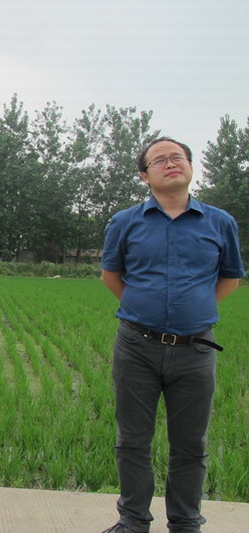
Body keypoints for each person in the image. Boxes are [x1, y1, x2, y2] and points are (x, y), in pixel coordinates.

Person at [100, 137, 245, 533]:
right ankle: (133, 520)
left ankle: (185, 522)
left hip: (195, 349)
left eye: (177, 157)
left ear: (190, 166)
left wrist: (193, 311)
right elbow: (111, 275)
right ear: (145, 176)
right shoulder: (125, 222)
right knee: (132, 439)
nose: (171, 163)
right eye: (159, 160)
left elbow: (230, 278)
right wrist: (144, 309)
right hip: (136, 347)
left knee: (191, 443)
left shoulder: (220, 222)